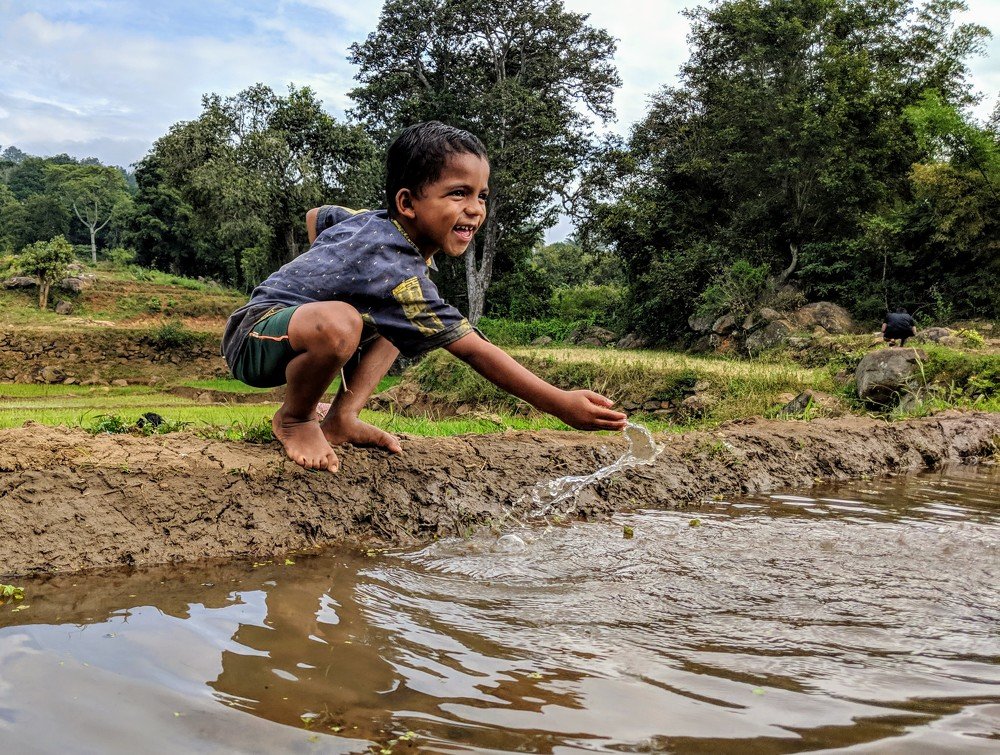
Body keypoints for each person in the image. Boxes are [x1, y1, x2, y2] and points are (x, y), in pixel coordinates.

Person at [222, 121, 627, 472]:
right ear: (407, 203)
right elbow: (473, 350)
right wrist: (559, 403)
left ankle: (343, 417)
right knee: (342, 321)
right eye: (458, 194)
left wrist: (331, 272)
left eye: (481, 195)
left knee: (395, 318)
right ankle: (295, 420)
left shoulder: (375, 226)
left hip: (304, 329)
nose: (475, 209)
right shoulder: (391, 266)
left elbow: (319, 214)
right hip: (255, 335)